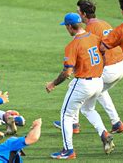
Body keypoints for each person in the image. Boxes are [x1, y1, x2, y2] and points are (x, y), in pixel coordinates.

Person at [46, 13, 114, 159]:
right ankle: (104, 133)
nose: (66, 29)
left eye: (66, 26)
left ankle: (68, 150)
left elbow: (67, 72)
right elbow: (104, 55)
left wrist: (53, 84)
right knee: (88, 109)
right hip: (98, 82)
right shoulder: (95, 38)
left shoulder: (73, 45)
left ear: (70, 26)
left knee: (66, 115)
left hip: (83, 84)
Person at [53, 0, 123, 133]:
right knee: (100, 91)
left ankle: (73, 124)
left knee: (77, 86)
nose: (78, 16)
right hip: (121, 66)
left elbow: (89, 52)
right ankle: (116, 123)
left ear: (84, 14)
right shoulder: (104, 23)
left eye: (78, 12)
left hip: (109, 68)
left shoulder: (89, 29)